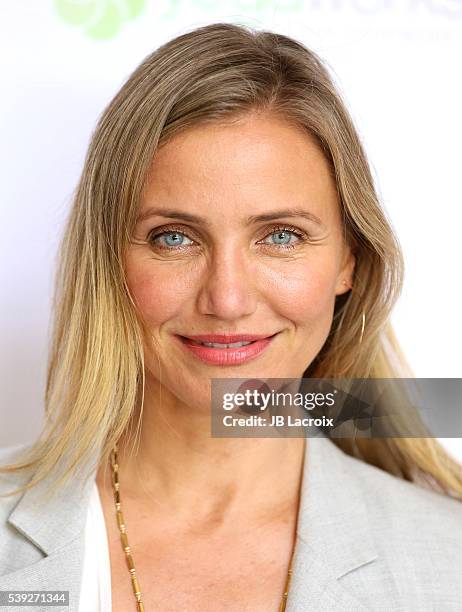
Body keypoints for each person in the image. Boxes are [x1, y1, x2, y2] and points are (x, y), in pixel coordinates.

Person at [1, 22, 462, 612]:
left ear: (350, 260)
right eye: (173, 237)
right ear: (108, 258)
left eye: (280, 236)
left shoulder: (447, 564)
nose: (227, 298)